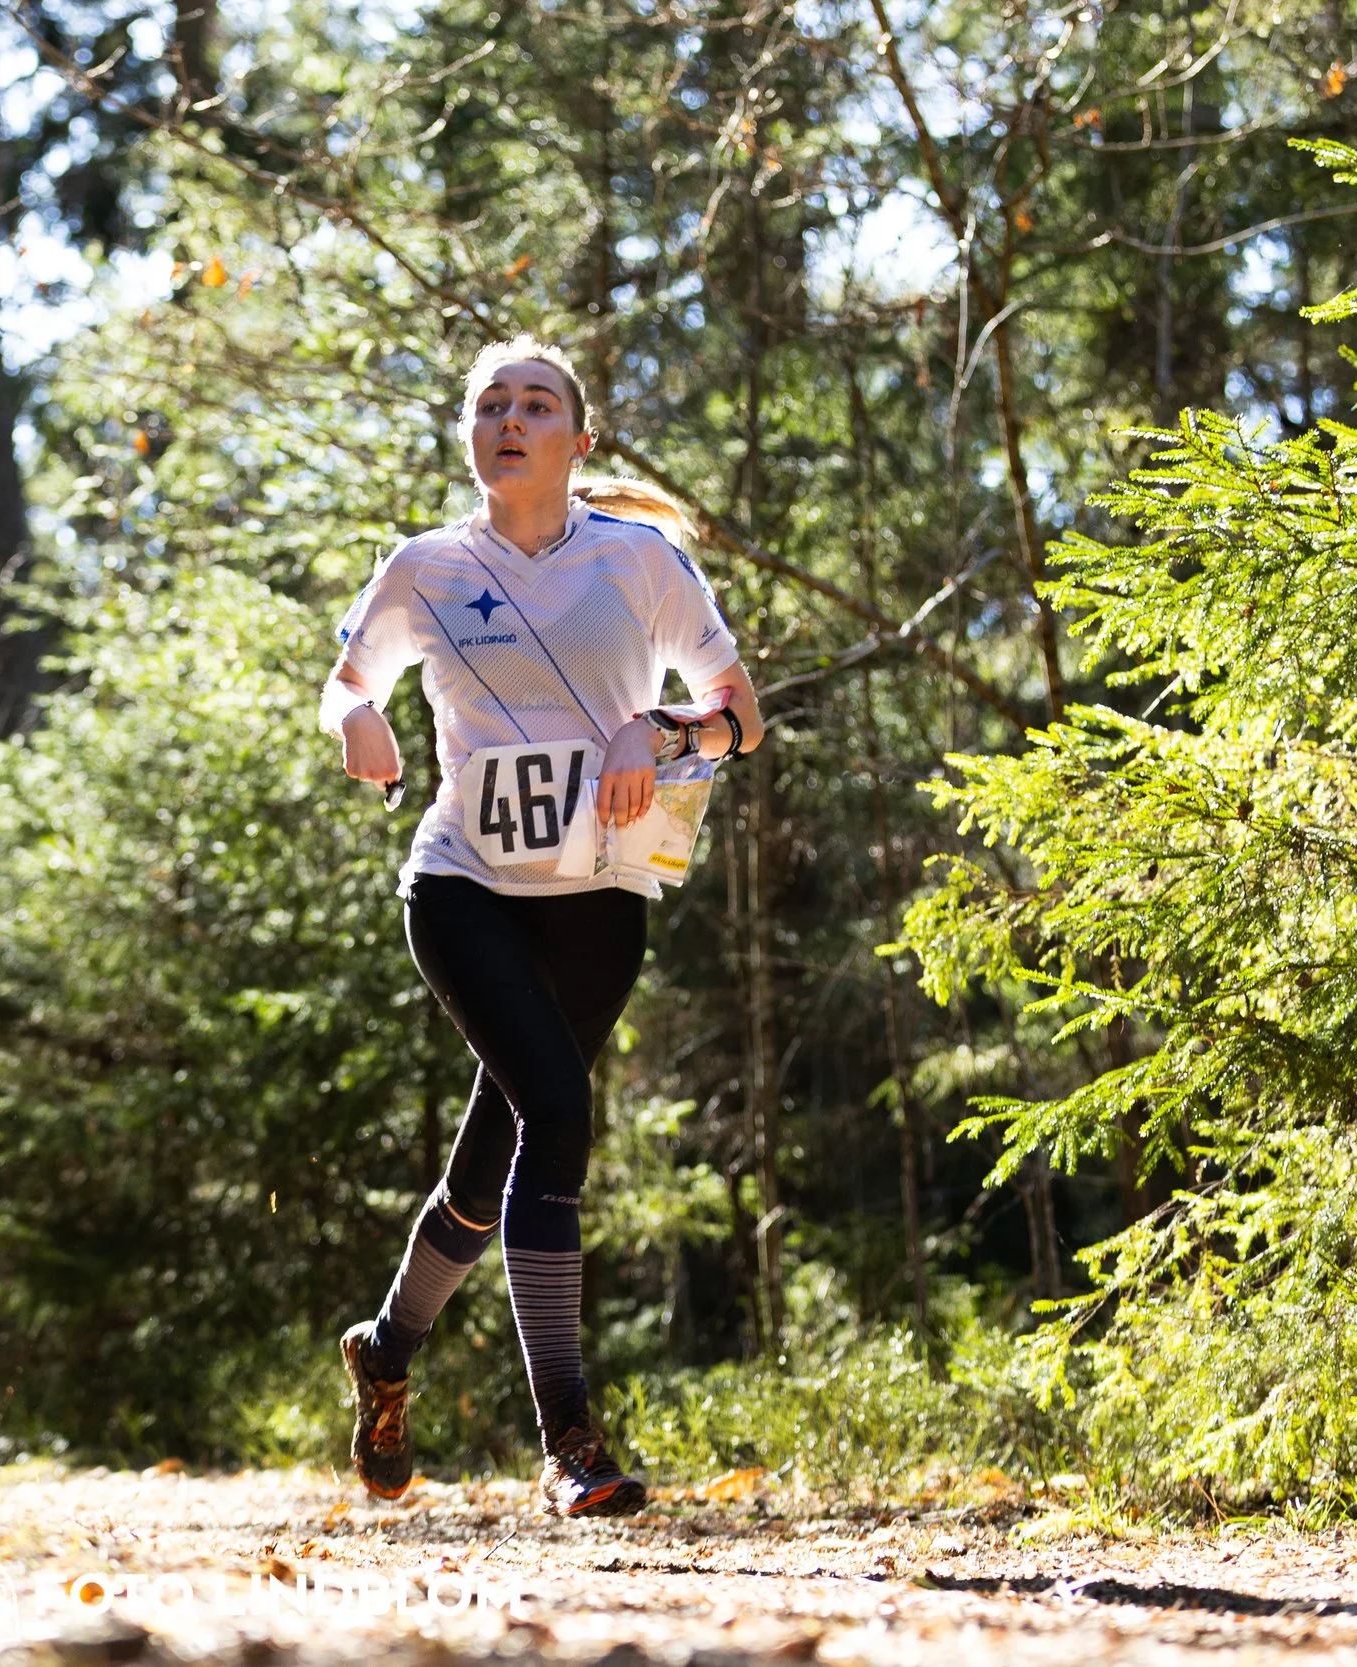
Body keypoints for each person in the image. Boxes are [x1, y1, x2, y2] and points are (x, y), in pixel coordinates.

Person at [319, 335, 765, 1517]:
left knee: (489, 1160)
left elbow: (740, 718)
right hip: (463, 888)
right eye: (488, 405)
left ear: (579, 437)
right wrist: (355, 718)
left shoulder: (640, 563)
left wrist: (661, 733)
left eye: (535, 403)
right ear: (469, 436)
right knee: (557, 1115)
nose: (509, 420)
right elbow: (348, 678)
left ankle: (386, 1347)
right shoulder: (423, 566)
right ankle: (567, 1435)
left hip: (600, 904)